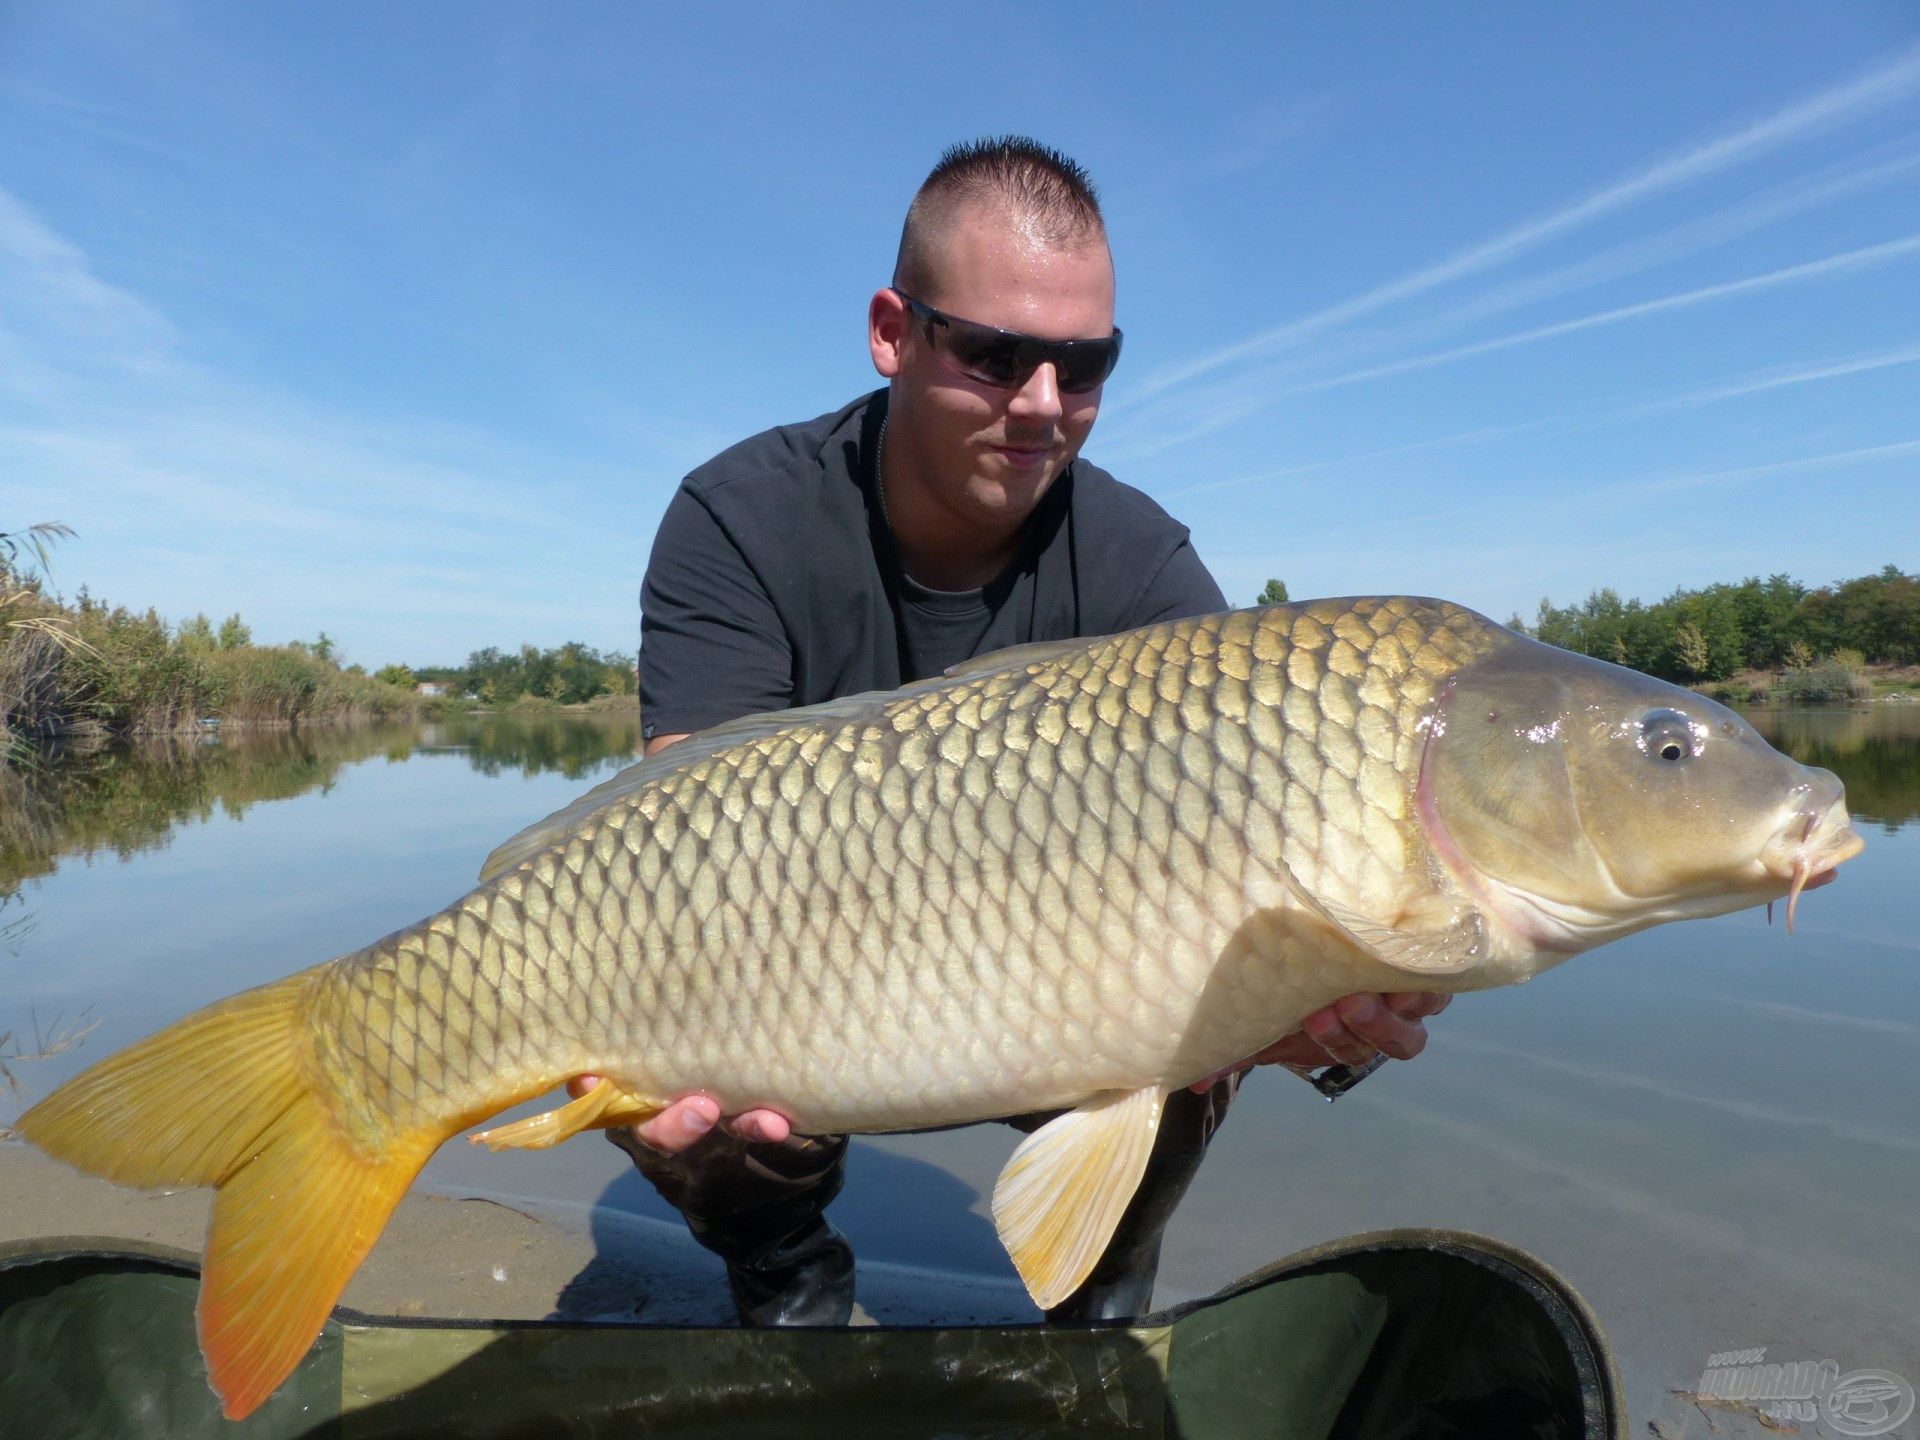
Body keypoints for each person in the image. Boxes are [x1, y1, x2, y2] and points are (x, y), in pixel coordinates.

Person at [576, 136, 1448, 1327]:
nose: (1042, 405)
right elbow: (667, 855)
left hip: (1063, 987)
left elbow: (1245, 872)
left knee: (1195, 1048)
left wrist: (1320, 1017)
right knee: (680, 1101)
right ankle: (786, 1272)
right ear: (893, 331)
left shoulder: (1144, 568)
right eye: (994, 355)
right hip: (800, 984)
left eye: (1084, 366)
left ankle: (1097, 1302)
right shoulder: (740, 518)